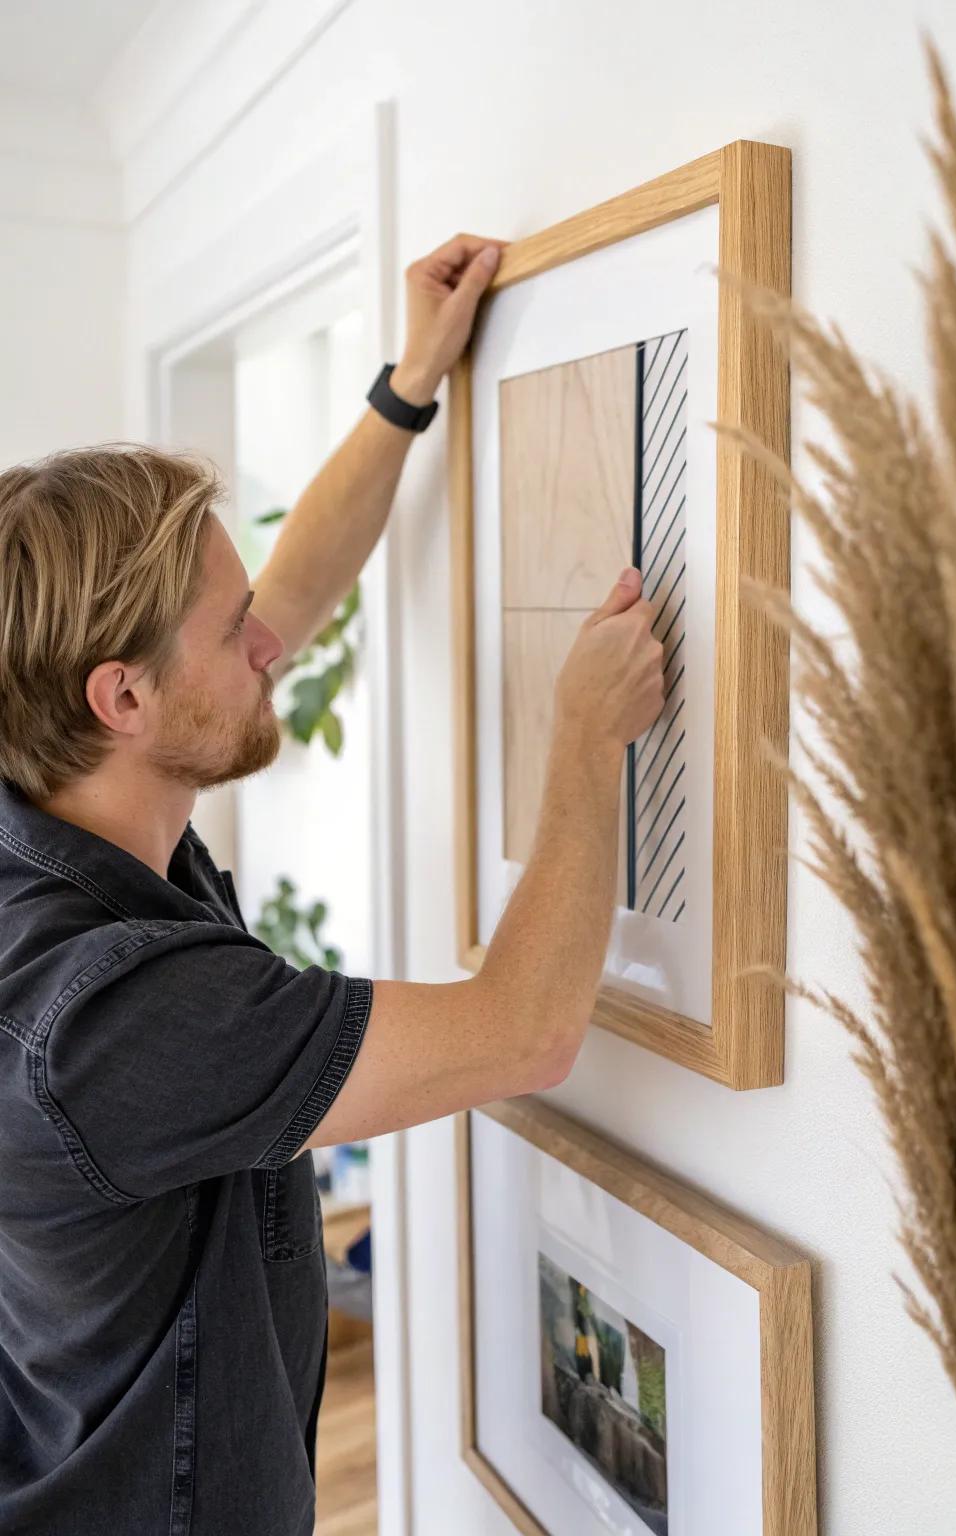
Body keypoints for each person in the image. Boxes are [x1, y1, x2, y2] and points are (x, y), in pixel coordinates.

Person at [0, 235, 665, 1536]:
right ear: (122, 697)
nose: (271, 646)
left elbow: (286, 587)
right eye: (230, 629)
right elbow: (526, 1029)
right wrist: (584, 742)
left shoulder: (64, 788)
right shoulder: (114, 1016)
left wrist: (410, 381)